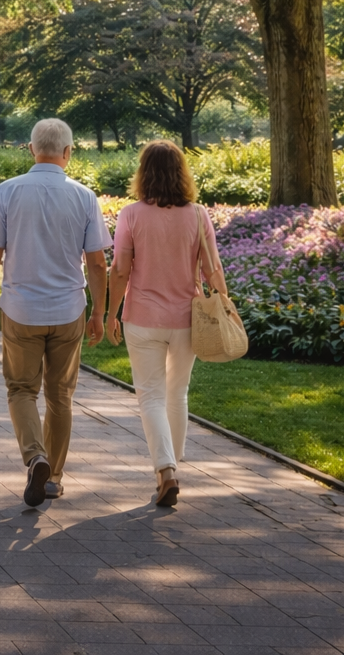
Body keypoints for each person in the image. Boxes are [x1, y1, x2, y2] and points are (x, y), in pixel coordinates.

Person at [0, 119, 110, 507]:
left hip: (20, 308)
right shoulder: (85, 197)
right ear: (68, 153)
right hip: (68, 309)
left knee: (21, 389)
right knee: (60, 396)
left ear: (31, 149)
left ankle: (35, 456)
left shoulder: (9, 191)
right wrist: (99, 313)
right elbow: (98, 263)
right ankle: (53, 477)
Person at [105, 141, 227, 508]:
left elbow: (120, 269)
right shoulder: (198, 214)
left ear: (143, 172)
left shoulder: (131, 215)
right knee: (178, 393)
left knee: (151, 395)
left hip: (142, 319)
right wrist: (226, 305)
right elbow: (212, 269)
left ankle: (165, 470)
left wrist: (110, 312)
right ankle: (173, 467)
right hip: (187, 319)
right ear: (181, 172)